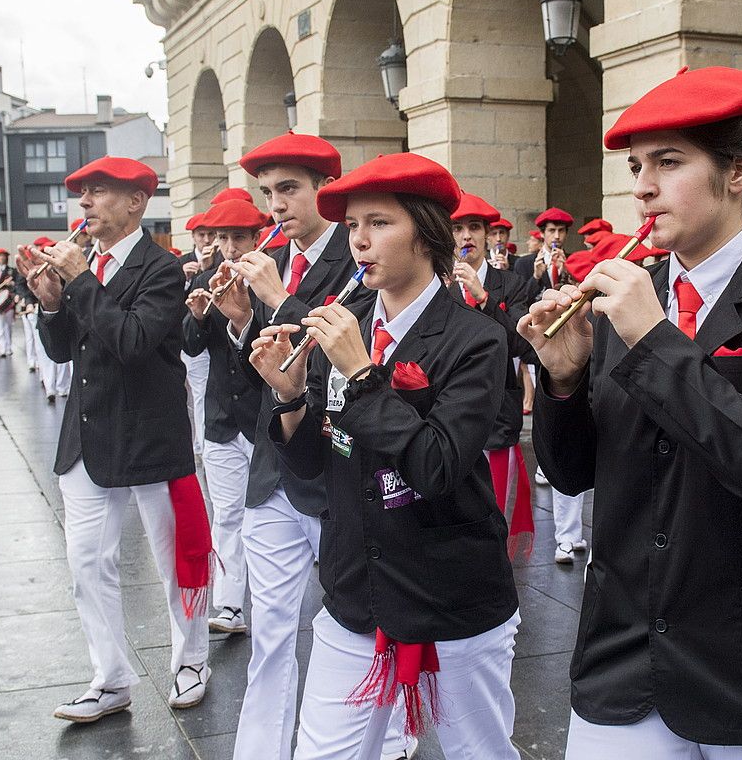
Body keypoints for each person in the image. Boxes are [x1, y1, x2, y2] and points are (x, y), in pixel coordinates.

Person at [521, 65, 742, 758]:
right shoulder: (631, 296)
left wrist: (654, 339)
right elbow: (570, 474)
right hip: (626, 655)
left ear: (739, 171)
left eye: (670, 162)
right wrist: (562, 382)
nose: (643, 186)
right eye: (636, 166)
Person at [249, 151, 520, 760]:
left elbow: (439, 468)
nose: (360, 242)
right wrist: (289, 397)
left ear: (427, 234)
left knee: (478, 752)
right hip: (353, 590)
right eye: (351, 227)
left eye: (379, 223)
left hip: (451, 597)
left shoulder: (475, 338)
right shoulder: (344, 327)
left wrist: (363, 373)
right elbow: (312, 467)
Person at [205, 132, 401, 760]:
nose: (276, 205)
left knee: (360, 617)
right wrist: (240, 321)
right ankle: (260, 749)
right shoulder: (275, 263)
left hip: (337, 468)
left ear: (326, 192)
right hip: (273, 467)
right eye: (268, 192)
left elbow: (346, 358)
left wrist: (274, 300)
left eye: (289, 189)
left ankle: (390, 731)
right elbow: (265, 376)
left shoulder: (365, 256)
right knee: (271, 632)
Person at [17, 156, 212, 722]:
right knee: (85, 564)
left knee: (174, 560)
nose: (84, 204)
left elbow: (132, 342)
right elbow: (62, 352)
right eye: (82, 194)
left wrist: (79, 282)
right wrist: (53, 303)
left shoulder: (163, 269)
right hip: (86, 438)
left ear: (135, 203)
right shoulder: (90, 266)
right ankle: (110, 678)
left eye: (97, 192)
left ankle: (191, 658)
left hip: (149, 439)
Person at [183, 199, 266, 636]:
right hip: (220, 417)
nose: (230, 247)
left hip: (261, 416)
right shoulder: (202, 278)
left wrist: (245, 317)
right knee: (228, 513)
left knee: (271, 512)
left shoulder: (270, 281)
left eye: (239, 237)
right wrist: (197, 317)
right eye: (223, 238)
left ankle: (271, 599)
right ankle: (230, 603)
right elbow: (192, 347)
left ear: (256, 238)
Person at [449, 190, 538, 557]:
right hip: (450, 417)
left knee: (496, 513)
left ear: (488, 234)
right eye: (457, 229)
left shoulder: (512, 285)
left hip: (497, 416)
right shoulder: (437, 287)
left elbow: (522, 342)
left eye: (474, 228)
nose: (466, 237)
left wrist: (484, 298)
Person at [181, 213, 219, 455]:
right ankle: (200, 443)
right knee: (198, 392)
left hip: (215, 337)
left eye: (210, 234)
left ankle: (206, 441)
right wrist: (187, 280)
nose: (206, 239)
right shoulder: (181, 262)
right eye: (201, 235)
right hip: (192, 336)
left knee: (210, 390)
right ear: (193, 237)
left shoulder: (220, 258)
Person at [29, 236, 74, 402]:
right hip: (40, 311)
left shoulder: (65, 269)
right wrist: (29, 301)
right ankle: (50, 387)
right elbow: (24, 287)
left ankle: (63, 387)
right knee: (44, 352)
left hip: (64, 313)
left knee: (64, 360)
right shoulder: (34, 269)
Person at [515, 207, 573, 292]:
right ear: (542, 233)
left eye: (561, 230)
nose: (557, 236)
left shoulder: (573, 261)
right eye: (552, 230)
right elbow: (520, 299)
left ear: (566, 234)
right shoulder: (523, 263)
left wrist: (566, 272)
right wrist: (536, 277)